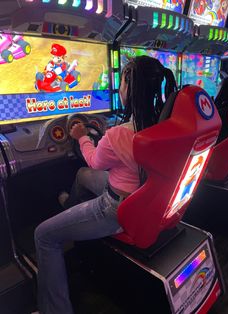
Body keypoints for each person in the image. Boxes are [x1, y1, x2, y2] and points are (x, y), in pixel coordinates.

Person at [34, 56, 177, 314]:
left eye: (122, 82)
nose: (119, 88)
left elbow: (95, 160)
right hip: (143, 193)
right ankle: (71, 208)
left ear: (130, 89)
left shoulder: (119, 133)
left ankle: (55, 310)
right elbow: (94, 169)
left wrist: (81, 137)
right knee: (82, 174)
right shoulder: (166, 124)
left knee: (43, 236)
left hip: (115, 208)